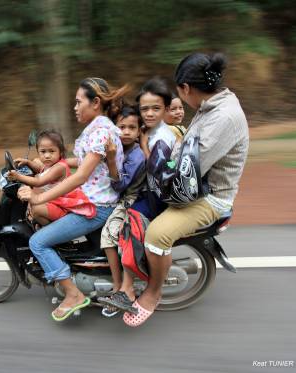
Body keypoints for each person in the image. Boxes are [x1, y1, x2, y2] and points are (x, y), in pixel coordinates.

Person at [123, 52, 249, 327]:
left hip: (209, 197)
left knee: (156, 235)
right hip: (192, 187)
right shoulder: (212, 106)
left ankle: (153, 293)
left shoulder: (223, 118)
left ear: (186, 89)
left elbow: (186, 171)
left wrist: (156, 162)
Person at [17, 77, 128, 321]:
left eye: (79, 102)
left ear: (95, 102)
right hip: (89, 201)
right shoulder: (100, 129)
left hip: (95, 207)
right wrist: (43, 165)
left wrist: (39, 196)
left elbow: (81, 176)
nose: (75, 107)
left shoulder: (100, 133)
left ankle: (72, 294)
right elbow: (78, 161)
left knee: (37, 242)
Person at [99, 105, 146, 300]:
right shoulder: (118, 147)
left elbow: (120, 186)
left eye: (131, 128)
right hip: (113, 195)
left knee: (108, 235)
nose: (126, 131)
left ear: (138, 132)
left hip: (128, 200)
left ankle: (119, 285)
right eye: (122, 127)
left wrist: (110, 159)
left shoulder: (136, 156)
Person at [6, 129, 96, 226]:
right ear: (38, 152)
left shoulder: (59, 167)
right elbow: (41, 169)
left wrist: (18, 176)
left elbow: (39, 181)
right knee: (34, 205)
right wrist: (28, 162)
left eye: (51, 151)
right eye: (43, 152)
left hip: (64, 207)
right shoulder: (50, 165)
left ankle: (51, 232)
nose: (47, 155)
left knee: (36, 209)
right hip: (56, 202)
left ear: (60, 152)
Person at [131, 78, 177, 220]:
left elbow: (161, 171)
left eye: (156, 108)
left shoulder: (161, 137)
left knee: (123, 219)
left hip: (155, 198)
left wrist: (144, 146)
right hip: (146, 191)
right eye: (144, 109)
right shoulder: (148, 130)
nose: (149, 114)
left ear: (166, 109)